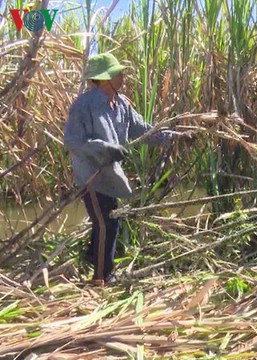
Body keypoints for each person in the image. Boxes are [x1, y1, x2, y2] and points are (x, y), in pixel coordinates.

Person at [63, 53, 187, 286]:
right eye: (118, 73)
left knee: (109, 219)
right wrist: (105, 149)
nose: (122, 76)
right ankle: (101, 278)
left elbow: (145, 131)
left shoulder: (121, 104)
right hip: (90, 174)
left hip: (110, 176)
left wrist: (175, 137)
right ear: (104, 78)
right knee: (105, 222)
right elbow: (72, 140)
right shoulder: (83, 105)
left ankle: (93, 258)